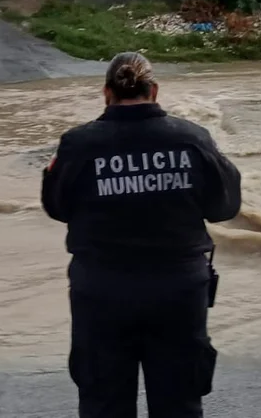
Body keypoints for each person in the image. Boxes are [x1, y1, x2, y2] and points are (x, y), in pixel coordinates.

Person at [42, 52, 242, 418]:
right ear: (155, 90)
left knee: (104, 403)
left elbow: (57, 207)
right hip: (178, 292)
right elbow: (224, 207)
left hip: (101, 292)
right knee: (179, 403)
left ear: (106, 92)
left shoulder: (78, 144)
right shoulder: (193, 139)